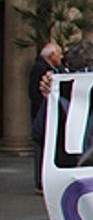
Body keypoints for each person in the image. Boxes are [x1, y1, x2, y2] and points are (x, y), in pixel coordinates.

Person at [29, 42, 62, 193]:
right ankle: (40, 182)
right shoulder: (39, 68)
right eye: (59, 54)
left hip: (49, 115)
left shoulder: (56, 68)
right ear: (51, 55)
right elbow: (34, 93)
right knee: (40, 150)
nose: (61, 57)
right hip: (42, 114)